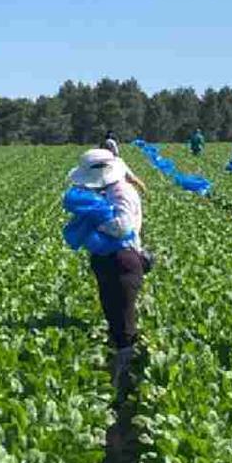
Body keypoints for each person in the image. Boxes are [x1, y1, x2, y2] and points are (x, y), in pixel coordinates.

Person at [67, 149, 146, 389]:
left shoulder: (122, 192)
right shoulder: (106, 192)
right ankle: (120, 364)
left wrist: (93, 221)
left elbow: (122, 227)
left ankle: (127, 378)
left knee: (124, 319)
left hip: (122, 261)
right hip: (108, 259)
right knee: (112, 309)